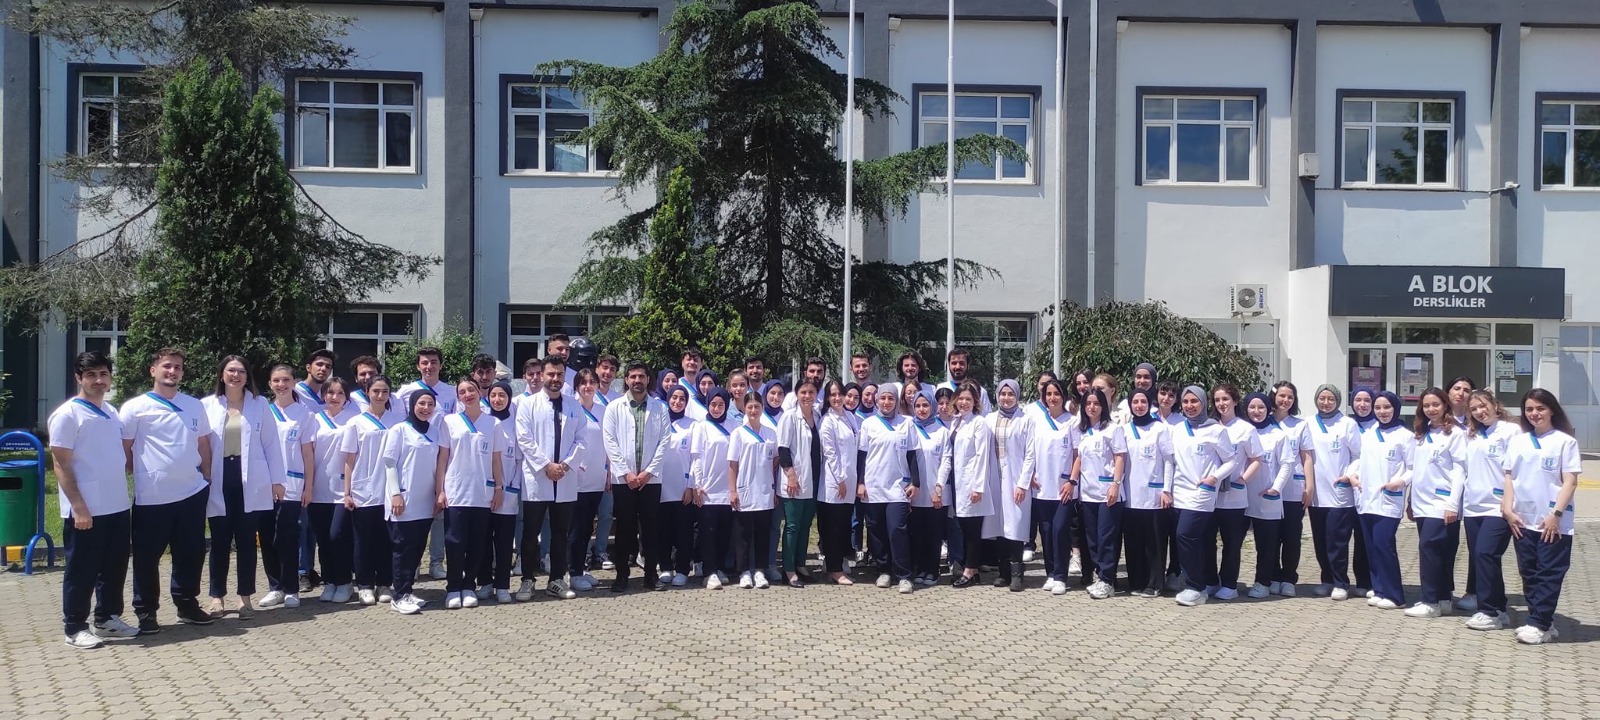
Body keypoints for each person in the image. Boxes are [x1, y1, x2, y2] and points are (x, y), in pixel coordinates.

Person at [121, 347, 216, 632]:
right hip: (152, 498)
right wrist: (147, 473)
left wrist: (206, 479)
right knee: (147, 558)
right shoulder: (135, 408)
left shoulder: (194, 406)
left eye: (177, 367)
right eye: (167, 366)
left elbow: (203, 444)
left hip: (191, 493)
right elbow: (125, 451)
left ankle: (187, 604)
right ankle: (146, 611)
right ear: (153, 370)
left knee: (191, 554)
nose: (172, 371)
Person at [51, 351, 137, 648]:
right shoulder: (68, 414)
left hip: (116, 504)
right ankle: (75, 627)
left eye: (103, 374)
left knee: (114, 567)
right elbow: (60, 464)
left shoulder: (111, 411)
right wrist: (78, 506)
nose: (99, 380)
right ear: (79, 378)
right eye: (91, 375)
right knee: (82, 569)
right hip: (86, 508)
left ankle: (107, 619)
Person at [1493, 389, 1580, 644]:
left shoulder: (1565, 442)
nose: (1535, 414)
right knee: (1529, 573)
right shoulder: (1518, 441)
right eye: (1529, 409)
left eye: (1540, 408)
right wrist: (1508, 509)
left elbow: (1570, 482)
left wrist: (1556, 514)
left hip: (1552, 522)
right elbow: (1509, 476)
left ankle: (1539, 624)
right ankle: (1543, 621)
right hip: (1522, 519)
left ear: (1552, 410)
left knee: (1549, 573)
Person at [202, 355, 284, 619]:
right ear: (221, 374)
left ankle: (244, 599)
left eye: (241, 371)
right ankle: (216, 598)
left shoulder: (260, 405)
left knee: (247, 542)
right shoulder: (207, 405)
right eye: (230, 370)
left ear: (248, 377)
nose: (235, 375)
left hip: (251, 480)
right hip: (219, 477)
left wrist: (277, 480)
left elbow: (271, 444)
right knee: (220, 541)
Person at [602, 362, 673, 592]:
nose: (637, 381)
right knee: (625, 528)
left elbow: (665, 441)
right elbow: (610, 441)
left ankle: (651, 575)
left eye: (641, 376)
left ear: (648, 379)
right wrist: (626, 473)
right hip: (625, 480)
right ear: (626, 380)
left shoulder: (660, 408)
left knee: (651, 528)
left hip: (650, 479)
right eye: (632, 376)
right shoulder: (614, 407)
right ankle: (622, 575)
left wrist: (648, 472)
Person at [517, 358, 585, 601]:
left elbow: (581, 439)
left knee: (560, 533)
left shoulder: (574, 405)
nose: (555, 379)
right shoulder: (528, 404)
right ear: (542, 375)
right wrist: (546, 465)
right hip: (538, 476)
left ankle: (556, 579)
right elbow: (524, 439)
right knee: (530, 533)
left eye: (559, 374)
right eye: (551, 374)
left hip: (564, 477)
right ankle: (527, 580)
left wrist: (564, 466)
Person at [437, 378, 506, 609]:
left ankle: (469, 586)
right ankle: (453, 588)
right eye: (462, 392)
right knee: (454, 542)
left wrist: (499, 488)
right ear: (458, 397)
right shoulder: (449, 422)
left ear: (479, 392)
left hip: (482, 492)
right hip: (456, 491)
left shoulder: (493, 423)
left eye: (471, 390)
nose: (468, 394)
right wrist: (440, 490)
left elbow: (496, 460)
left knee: (478, 543)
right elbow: (443, 458)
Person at [1170, 386, 1239, 607]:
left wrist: (1214, 478)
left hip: (1202, 492)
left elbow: (1231, 460)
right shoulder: (1178, 429)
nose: (1190, 406)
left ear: (1203, 403)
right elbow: (1172, 461)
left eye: (1195, 401)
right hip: (1179, 491)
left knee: (1185, 535)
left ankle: (1196, 588)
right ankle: (1205, 581)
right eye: (1186, 402)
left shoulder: (1216, 430)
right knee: (1195, 540)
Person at [394, 346, 458, 580]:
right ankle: (413, 564)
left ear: (441, 365)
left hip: (442, 456)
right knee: (414, 515)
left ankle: (436, 561)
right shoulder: (406, 392)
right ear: (418, 366)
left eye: (433, 362)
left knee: (438, 512)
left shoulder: (451, 392)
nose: (429, 366)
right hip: (414, 458)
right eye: (424, 362)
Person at [1403, 387, 1467, 619]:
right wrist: (1410, 501)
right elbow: (1417, 470)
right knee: (1439, 551)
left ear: (1445, 405)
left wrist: (1452, 504)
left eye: (1436, 404)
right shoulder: (1421, 433)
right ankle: (1443, 598)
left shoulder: (1455, 434)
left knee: (1429, 548)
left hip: (1442, 502)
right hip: (1422, 502)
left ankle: (1430, 601)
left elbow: (1460, 470)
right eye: (1427, 405)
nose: (1431, 409)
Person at [339, 376, 402, 607]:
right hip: (363, 489)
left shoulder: (397, 422)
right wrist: (347, 492)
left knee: (386, 539)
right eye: (376, 391)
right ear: (367, 392)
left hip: (389, 488)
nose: (380, 395)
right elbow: (349, 460)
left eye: (385, 391)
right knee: (363, 540)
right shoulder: (356, 423)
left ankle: (384, 583)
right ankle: (365, 585)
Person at [1461, 390, 1520, 629]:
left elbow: (1516, 470)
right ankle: (1499, 609)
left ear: (1495, 405)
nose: (1479, 412)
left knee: (1486, 553)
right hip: (1473, 506)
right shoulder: (1471, 434)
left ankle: (1489, 611)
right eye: (1474, 409)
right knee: (1481, 558)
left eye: (1483, 405)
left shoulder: (1510, 431)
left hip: (1499, 506)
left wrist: (1509, 503)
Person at [259, 365, 316, 609]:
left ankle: (292, 588)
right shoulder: (263, 411)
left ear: (294, 382)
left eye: (286, 380)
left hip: (292, 484)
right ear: (270, 384)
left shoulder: (304, 414)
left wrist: (309, 487)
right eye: (276, 380)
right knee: (267, 538)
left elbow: (308, 454)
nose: (281, 385)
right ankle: (275, 588)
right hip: (264, 485)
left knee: (287, 537)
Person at [1349, 391, 1411, 611]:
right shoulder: (1369, 433)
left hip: (1388, 499)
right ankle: (1379, 589)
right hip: (1366, 498)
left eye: (1387, 407)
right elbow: (1360, 460)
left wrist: (1400, 482)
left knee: (1384, 545)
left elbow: (1413, 468)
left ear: (1396, 408)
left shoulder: (1405, 436)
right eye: (1378, 408)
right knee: (1372, 547)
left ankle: (1395, 596)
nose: (1382, 412)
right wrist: (1352, 475)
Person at [383, 388, 442, 615]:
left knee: (417, 548)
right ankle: (398, 596)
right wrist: (395, 493)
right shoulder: (399, 430)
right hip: (403, 500)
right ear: (412, 405)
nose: (426, 408)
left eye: (430, 404)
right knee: (403, 549)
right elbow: (389, 464)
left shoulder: (435, 432)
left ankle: (408, 590)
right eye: (421, 404)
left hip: (425, 501)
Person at [857, 383, 921, 594]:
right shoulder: (869, 424)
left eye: (891, 398)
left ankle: (904, 575)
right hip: (874, 485)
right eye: (883, 398)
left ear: (896, 400)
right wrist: (860, 482)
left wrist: (915, 482)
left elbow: (912, 454)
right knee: (876, 531)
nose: (886, 402)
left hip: (898, 487)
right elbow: (862, 456)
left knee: (896, 530)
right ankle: (883, 570)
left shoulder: (907, 423)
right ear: (877, 400)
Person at [1018, 379, 1076, 596]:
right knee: (1047, 531)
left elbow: (1078, 455)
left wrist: (1072, 481)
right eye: (1048, 394)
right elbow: (1029, 451)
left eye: (1056, 394)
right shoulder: (1036, 421)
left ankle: (1061, 576)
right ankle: (1051, 573)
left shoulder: (1073, 422)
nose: (1052, 398)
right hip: (1041, 487)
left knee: (1060, 530)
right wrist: (1031, 473)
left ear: (1064, 396)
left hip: (1064, 488)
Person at [1307, 384, 1362, 599]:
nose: (1326, 402)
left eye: (1331, 398)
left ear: (1338, 401)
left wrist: (1349, 475)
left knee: (1337, 541)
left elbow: (1358, 455)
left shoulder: (1347, 424)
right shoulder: (1308, 423)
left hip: (1339, 493)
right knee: (1320, 540)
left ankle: (1341, 582)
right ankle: (1327, 580)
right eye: (1322, 398)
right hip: (1316, 493)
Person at [1209, 384, 1262, 601]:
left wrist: (1242, 480)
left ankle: (1230, 584)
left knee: (1232, 544)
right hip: (1210, 495)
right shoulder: (1209, 426)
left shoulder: (1245, 429)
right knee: (1208, 541)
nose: (1221, 404)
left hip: (1234, 496)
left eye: (1225, 399)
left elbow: (1256, 459)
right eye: (1217, 400)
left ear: (1235, 401)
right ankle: (1211, 580)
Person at [1074, 386, 1129, 599]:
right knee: (1093, 540)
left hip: (1109, 493)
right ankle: (1101, 576)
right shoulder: (1082, 431)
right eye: (1088, 403)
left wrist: (1116, 484)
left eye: (1096, 403)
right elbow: (1079, 459)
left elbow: (1120, 457)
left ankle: (1107, 580)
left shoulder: (1113, 429)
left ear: (1103, 406)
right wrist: (1072, 481)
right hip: (1088, 494)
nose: (1092, 407)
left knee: (1106, 538)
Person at [306, 377, 357, 603]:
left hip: (342, 490)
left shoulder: (353, 420)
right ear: (323, 395)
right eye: (330, 393)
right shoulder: (314, 419)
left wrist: (351, 489)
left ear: (346, 397)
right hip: (318, 488)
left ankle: (345, 582)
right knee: (323, 539)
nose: (334, 397)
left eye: (340, 393)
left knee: (338, 536)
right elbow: (307, 453)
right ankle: (329, 582)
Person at [941, 384, 996, 588]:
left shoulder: (979, 423)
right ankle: (970, 568)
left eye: (968, 399)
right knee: (963, 526)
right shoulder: (956, 422)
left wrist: (978, 487)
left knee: (972, 529)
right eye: (961, 399)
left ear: (975, 402)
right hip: (958, 483)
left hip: (972, 483)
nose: (964, 403)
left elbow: (982, 455)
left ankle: (970, 570)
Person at [1120, 388, 1173, 598]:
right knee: (1133, 542)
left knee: (1155, 542)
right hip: (1130, 495)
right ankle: (1136, 581)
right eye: (1135, 402)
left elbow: (1168, 461)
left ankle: (1155, 583)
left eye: (1143, 402)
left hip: (1154, 496)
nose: (1139, 406)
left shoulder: (1159, 429)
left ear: (1149, 404)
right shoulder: (1124, 430)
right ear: (1130, 405)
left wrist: (1166, 489)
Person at [984, 379, 1033, 592]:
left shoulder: (1026, 420)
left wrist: (1023, 484)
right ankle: (1003, 572)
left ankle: (1017, 574)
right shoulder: (989, 419)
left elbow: (1030, 454)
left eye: (1010, 394)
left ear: (1017, 396)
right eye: (1003, 394)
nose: (1006, 398)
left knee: (1016, 526)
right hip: (995, 477)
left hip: (1016, 478)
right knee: (1000, 527)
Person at [1242, 393, 1292, 599]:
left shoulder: (1278, 435)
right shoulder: (1241, 431)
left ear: (1269, 409)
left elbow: (1287, 464)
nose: (1256, 411)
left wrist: (1276, 488)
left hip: (1266, 496)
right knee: (1234, 542)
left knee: (1266, 544)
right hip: (1241, 496)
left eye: (1261, 407)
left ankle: (1263, 582)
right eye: (1252, 407)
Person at [728, 392, 780, 589]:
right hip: (745, 490)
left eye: (757, 407)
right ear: (744, 409)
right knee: (743, 535)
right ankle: (744, 572)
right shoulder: (738, 434)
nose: (753, 410)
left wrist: (773, 489)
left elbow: (775, 459)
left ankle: (759, 570)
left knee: (762, 533)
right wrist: (733, 491)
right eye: (749, 407)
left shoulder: (771, 433)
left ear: (762, 408)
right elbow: (732, 464)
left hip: (765, 491)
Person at [565, 369, 611, 591]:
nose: (588, 386)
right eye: (583, 382)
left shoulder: (604, 411)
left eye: (592, 382)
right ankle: (572, 572)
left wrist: (609, 471)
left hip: (597, 477)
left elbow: (610, 443)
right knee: (575, 528)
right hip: (576, 479)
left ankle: (581, 569)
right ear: (576, 386)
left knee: (586, 528)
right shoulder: (570, 409)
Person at [1270, 381, 1314, 597]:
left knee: (1291, 536)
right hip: (1267, 488)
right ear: (1273, 397)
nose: (1285, 400)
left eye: (1290, 397)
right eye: (1282, 396)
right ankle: (1272, 576)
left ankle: (1288, 578)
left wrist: (1310, 486)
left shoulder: (1300, 425)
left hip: (1293, 489)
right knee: (1270, 536)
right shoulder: (1263, 421)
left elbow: (1307, 457)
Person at [778, 380, 823, 587]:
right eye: (803, 392)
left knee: (805, 525)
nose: (807, 396)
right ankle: (788, 569)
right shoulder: (789, 417)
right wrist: (791, 475)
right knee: (793, 525)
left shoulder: (817, 416)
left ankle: (801, 564)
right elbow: (783, 449)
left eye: (811, 392)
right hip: (794, 479)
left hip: (813, 479)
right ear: (796, 394)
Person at [691, 387, 737, 589]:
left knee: (724, 532)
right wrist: (697, 484)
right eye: (713, 405)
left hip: (728, 488)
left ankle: (719, 568)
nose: (717, 409)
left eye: (721, 405)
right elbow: (696, 457)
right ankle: (709, 572)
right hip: (707, 489)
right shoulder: (701, 426)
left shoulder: (734, 425)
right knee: (707, 533)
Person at [481, 381, 522, 603]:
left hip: (508, 491)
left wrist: (512, 486)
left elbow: (519, 459)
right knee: (484, 539)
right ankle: (485, 582)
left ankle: (503, 585)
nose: (497, 400)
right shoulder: (483, 422)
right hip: (485, 490)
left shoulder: (515, 424)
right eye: (493, 395)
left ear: (509, 399)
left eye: (502, 396)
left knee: (505, 542)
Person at [816, 380, 859, 585]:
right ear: (827, 398)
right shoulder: (827, 421)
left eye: (839, 394)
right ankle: (834, 569)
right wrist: (840, 479)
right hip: (834, 482)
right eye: (832, 395)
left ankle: (838, 564)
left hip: (850, 480)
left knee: (843, 525)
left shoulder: (850, 417)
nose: (837, 398)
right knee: (833, 527)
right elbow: (830, 453)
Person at [906, 390, 948, 586]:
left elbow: (946, 462)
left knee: (934, 534)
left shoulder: (941, 431)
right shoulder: (908, 428)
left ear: (933, 406)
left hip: (935, 493)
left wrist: (938, 488)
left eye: (925, 405)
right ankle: (920, 569)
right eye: (918, 406)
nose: (921, 409)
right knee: (917, 534)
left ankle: (933, 570)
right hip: (914, 492)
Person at [658, 385, 696, 588]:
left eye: (682, 399)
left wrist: (691, 486)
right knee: (663, 530)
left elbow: (696, 459)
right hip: (661, 485)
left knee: (684, 531)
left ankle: (682, 570)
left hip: (683, 488)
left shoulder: (693, 425)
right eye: (674, 397)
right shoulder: (658, 422)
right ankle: (665, 567)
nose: (677, 402)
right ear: (668, 399)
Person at [939, 348, 991, 413]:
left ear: (968, 365)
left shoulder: (979, 391)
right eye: (954, 363)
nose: (957, 367)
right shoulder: (940, 389)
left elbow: (986, 416)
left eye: (962, 363)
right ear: (948, 365)